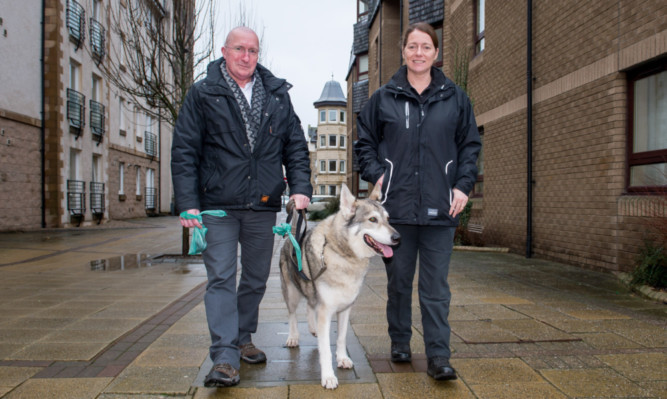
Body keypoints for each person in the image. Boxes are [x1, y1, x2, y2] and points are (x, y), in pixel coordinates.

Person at [171, 26, 312, 387]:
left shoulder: (278, 96)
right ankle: (224, 356)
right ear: (224, 51)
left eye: (252, 50)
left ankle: (243, 337)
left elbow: (295, 145)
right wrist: (188, 204)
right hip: (217, 206)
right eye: (239, 49)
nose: (246, 56)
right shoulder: (203, 93)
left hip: (262, 206)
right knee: (220, 278)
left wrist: (300, 187)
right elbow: (185, 149)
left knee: (253, 279)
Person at [354, 22, 481, 381]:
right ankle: (400, 342)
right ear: (404, 51)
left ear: (436, 53)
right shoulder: (383, 97)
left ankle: (439, 355)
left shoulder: (456, 98)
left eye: (426, 47)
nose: (419, 53)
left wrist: (462, 185)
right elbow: (363, 142)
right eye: (413, 46)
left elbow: (470, 146)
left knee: (436, 288)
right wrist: (378, 175)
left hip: (442, 211)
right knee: (398, 283)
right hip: (396, 214)